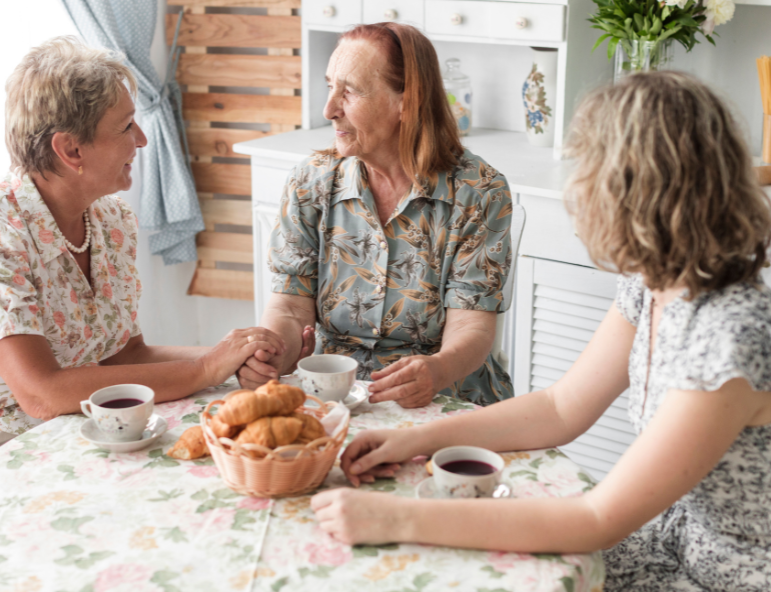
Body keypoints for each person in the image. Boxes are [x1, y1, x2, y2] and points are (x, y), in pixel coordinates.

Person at [311, 72, 771, 591]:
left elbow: (599, 519)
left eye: (588, 169)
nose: (577, 189)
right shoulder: (655, 283)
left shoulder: (729, 335)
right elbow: (559, 408)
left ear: (640, 187)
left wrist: (391, 519)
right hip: (672, 542)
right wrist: (412, 440)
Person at [0, 37, 302, 465]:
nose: (143, 139)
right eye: (127, 126)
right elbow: (42, 394)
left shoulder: (112, 221)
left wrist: (240, 353)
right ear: (71, 150)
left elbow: (126, 356)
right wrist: (207, 368)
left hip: (88, 428)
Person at [238, 22, 514, 408]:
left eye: (349, 92)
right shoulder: (311, 182)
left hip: (443, 392)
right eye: (330, 85)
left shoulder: (478, 192)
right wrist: (271, 355)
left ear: (408, 102)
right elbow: (288, 307)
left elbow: (472, 325)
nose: (329, 109)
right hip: (334, 389)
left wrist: (437, 370)